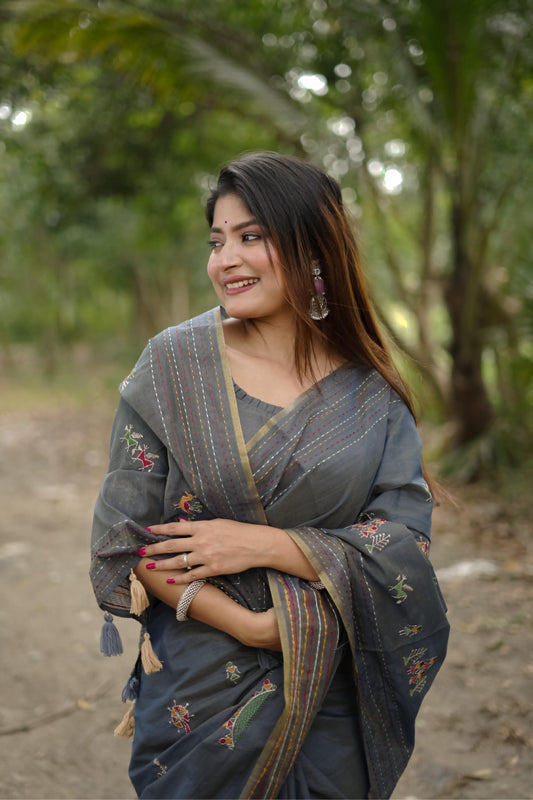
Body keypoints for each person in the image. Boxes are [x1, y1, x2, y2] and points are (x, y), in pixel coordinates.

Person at [90, 151, 449, 800]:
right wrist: (251, 626)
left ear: (313, 247)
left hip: (332, 678)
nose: (225, 258)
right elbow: (131, 533)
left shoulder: (371, 394)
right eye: (217, 240)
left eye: (251, 236)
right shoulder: (173, 365)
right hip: (198, 685)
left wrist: (270, 546)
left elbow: (406, 541)